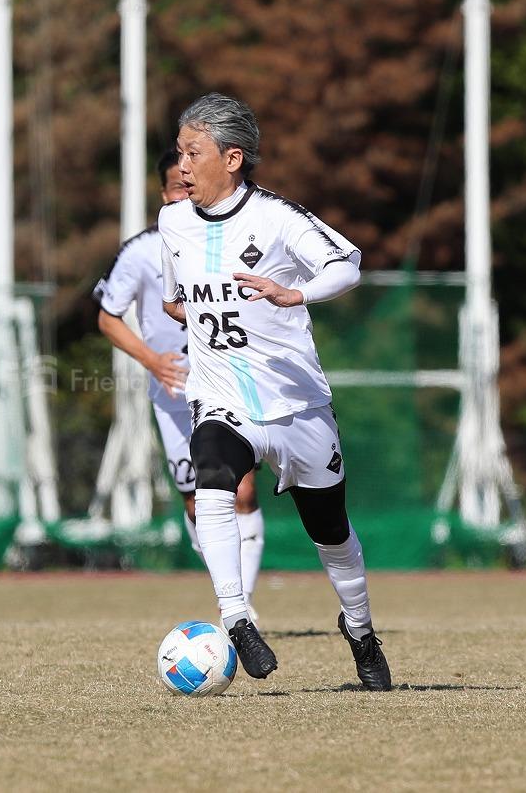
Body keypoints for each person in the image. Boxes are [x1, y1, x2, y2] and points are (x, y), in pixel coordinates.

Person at [160, 92, 391, 690]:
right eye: (180, 153)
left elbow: (347, 264)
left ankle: (360, 630)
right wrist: (190, 309)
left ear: (232, 158)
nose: (182, 166)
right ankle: (236, 617)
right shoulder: (173, 222)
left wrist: (295, 293)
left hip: (296, 405)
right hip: (220, 396)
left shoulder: (278, 218)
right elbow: (175, 297)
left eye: (193, 153)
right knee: (212, 479)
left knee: (330, 531)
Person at [93, 149, 266, 621]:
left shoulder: (233, 238)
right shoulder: (141, 250)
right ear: (163, 193)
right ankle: (229, 593)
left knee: (241, 490)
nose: (185, 193)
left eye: (191, 184)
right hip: (174, 396)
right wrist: (152, 361)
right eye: (176, 186)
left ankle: (241, 609)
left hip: (230, 384)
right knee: (197, 501)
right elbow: (108, 317)